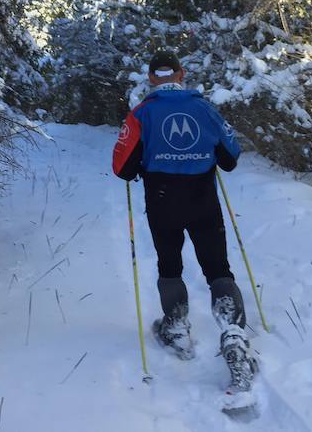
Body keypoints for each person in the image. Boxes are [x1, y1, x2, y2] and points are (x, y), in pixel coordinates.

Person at [111, 49, 256, 392]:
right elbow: (231, 156)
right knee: (217, 267)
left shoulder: (142, 113)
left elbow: (122, 167)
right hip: (203, 199)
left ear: (150, 79)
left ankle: (176, 327)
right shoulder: (204, 108)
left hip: (162, 202)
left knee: (170, 265)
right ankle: (233, 336)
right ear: (181, 74)